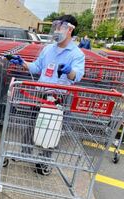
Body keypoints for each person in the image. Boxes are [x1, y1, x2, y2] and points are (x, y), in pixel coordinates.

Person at [8, 15, 85, 175]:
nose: (56, 30)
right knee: (32, 124)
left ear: (70, 29)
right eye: (55, 27)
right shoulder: (48, 49)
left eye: (60, 27)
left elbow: (77, 76)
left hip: (58, 98)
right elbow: (37, 67)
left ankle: (45, 160)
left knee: (52, 129)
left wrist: (69, 71)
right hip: (41, 94)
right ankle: (25, 152)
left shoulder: (76, 54)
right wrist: (23, 63)